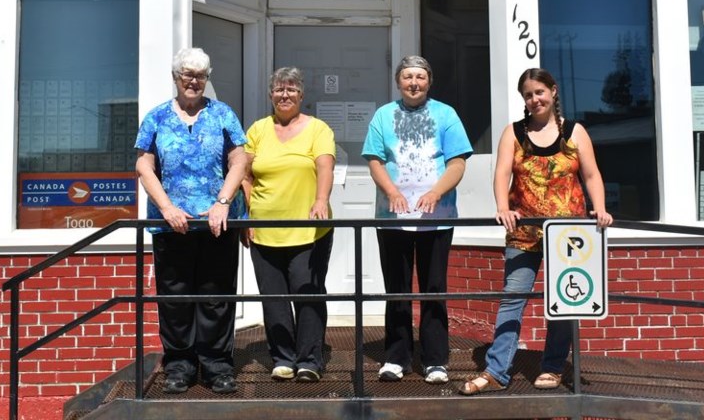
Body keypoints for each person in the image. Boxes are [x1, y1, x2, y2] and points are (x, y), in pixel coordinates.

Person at [461, 67, 614, 395]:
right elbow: (502, 174)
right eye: (528, 95)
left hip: (568, 234)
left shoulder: (574, 132)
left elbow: (590, 175)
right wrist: (503, 207)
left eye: (539, 92)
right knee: (512, 299)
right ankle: (497, 370)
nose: (534, 99)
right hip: (525, 231)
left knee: (565, 297)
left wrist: (599, 209)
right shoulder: (513, 133)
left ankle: (553, 366)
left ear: (553, 92)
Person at [134, 47, 247, 396]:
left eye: (200, 75)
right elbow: (143, 165)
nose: (194, 81)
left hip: (215, 222)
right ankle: (180, 366)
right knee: (176, 297)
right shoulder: (156, 117)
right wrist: (166, 207)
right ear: (176, 77)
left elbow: (239, 160)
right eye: (187, 74)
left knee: (216, 296)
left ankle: (216, 366)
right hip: (172, 224)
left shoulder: (222, 114)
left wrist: (222, 203)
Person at [361, 55, 472, 385]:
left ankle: (435, 359)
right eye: (408, 76)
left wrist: (436, 192)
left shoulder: (446, 114)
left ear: (429, 81)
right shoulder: (384, 115)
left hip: (436, 219)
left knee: (433, 287)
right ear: (398, 81)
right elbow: (375, 161)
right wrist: (392, 191)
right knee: (396, 287)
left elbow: (457, 164)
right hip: (393, 218)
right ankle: (396, 357)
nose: (413, 83)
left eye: (420, 77)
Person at [243, 66, 336, 383]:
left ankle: (310, 358)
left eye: (292, 89)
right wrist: (247, 214)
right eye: (279, 89)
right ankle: (282, 358)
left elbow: (325, 166)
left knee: (307, 293)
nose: (285, 94)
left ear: (301, 95)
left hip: (309, 229)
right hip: (264, 229)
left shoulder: (318, 129)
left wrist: (321, 199)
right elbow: (245, 174)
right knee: (273, 296)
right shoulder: (257, 129)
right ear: (271, 94)